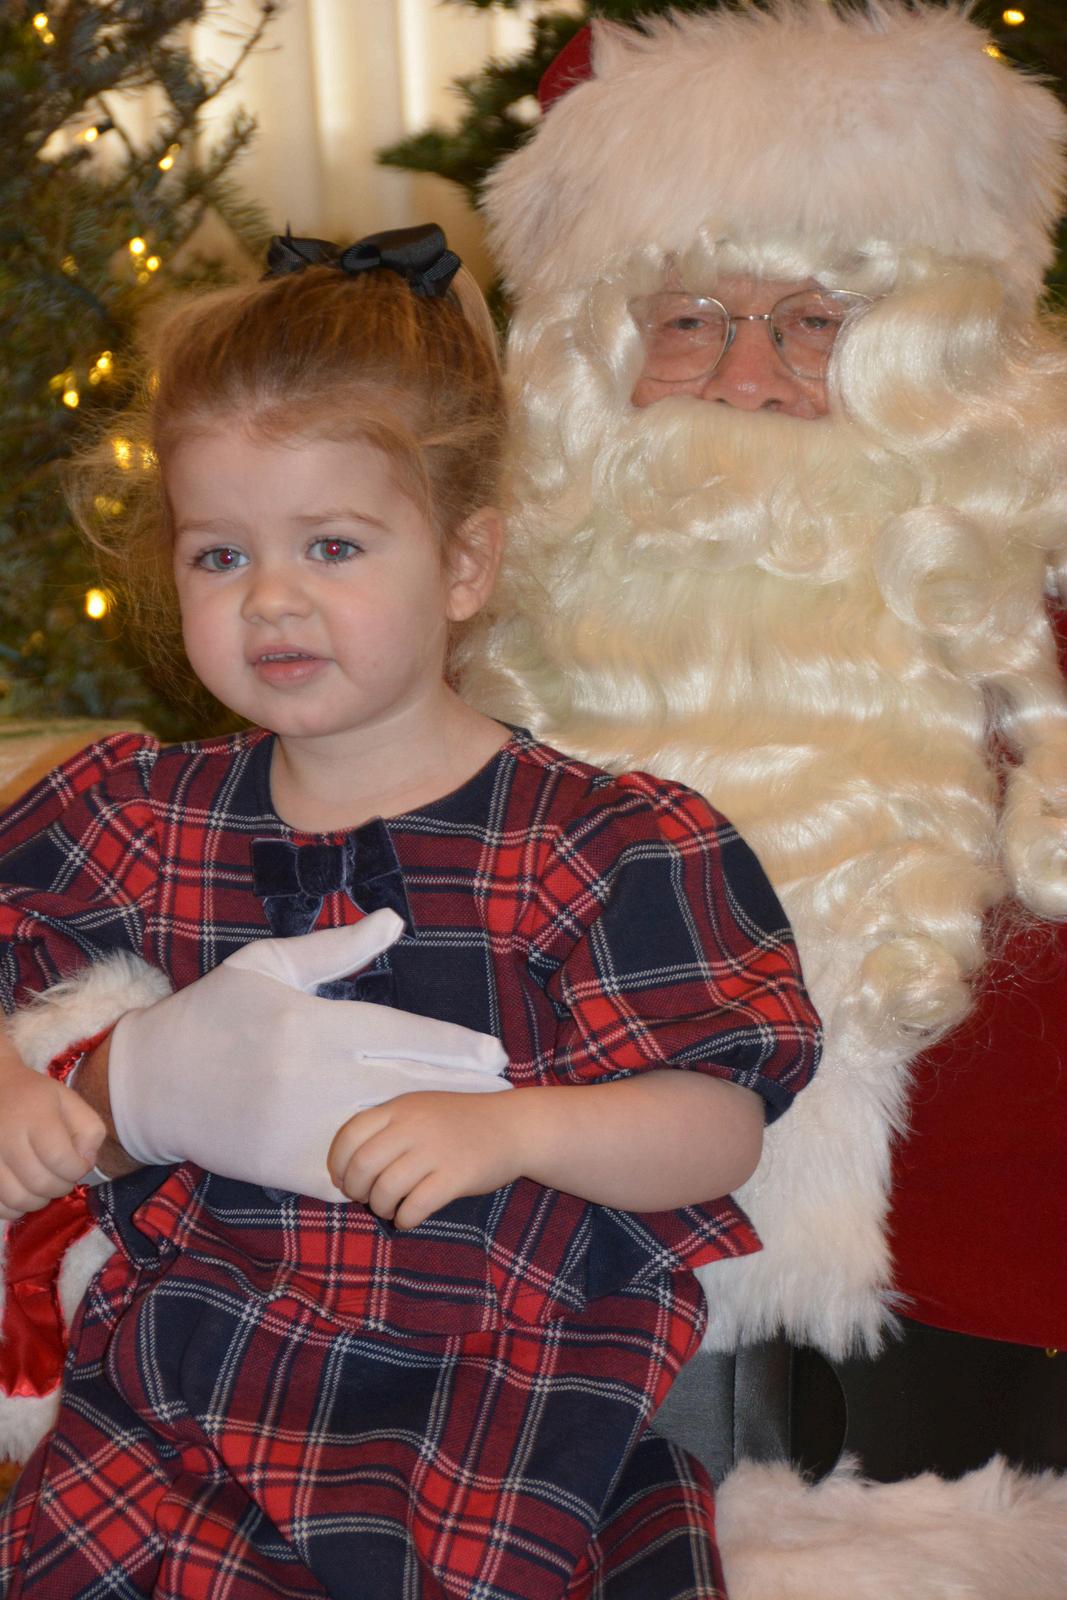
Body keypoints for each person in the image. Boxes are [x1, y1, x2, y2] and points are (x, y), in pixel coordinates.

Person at [0, 225, 819, 1597]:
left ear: (463, 563)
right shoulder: (138, 812)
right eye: (219, 556)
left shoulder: (606, 842)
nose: (272, 599)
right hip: (185, 1409)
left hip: (507, 1421)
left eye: (333, 545)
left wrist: (520, 1130)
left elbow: (720, 1122)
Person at [458, 3, 1067, 1589]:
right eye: (689, 321)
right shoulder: (474, 666)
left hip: (999, 1430)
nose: (748, 386)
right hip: (555, 1405)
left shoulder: (1043, 672)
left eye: (816, 324)